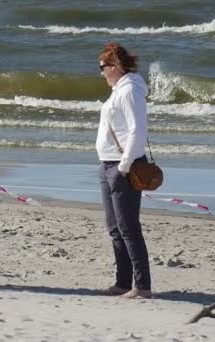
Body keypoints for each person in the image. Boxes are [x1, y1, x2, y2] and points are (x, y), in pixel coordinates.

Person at [96, 42, 152, 298]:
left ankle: (142, 286)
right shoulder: (119, 89)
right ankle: (123, 282)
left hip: (120, 168)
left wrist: (124, 166)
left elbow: (136, 131)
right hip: (106, 164)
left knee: (128, 227)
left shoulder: (130, 90)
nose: (101, 73)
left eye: (103, 67)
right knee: (115, 227)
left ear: (115, 66)